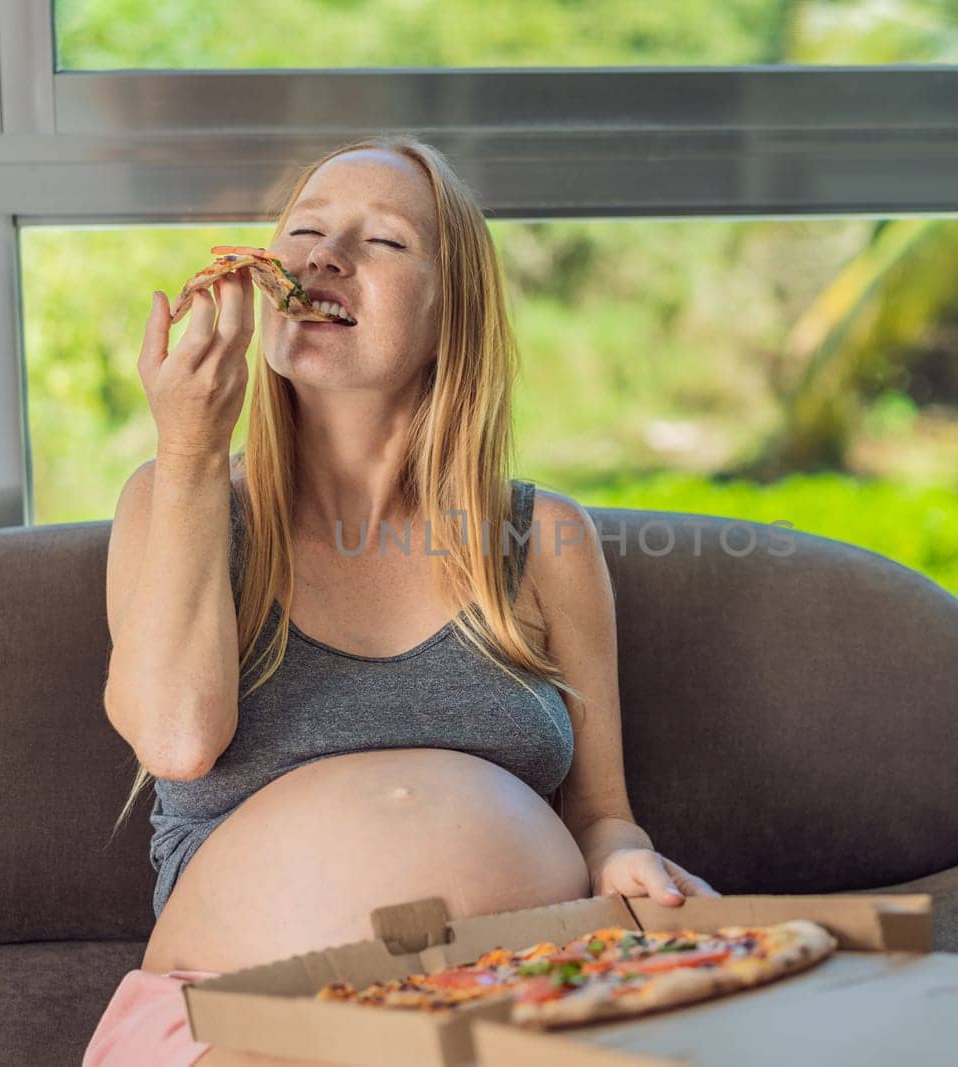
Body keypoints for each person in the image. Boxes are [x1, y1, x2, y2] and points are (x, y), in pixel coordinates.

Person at [84, 136, 720, 1066]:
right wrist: (188, 452)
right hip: (247, 1019)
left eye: (382, 242)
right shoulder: (170, 498)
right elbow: (177, 740)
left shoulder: (547, 541)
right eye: (303, 231)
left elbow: (601, 812)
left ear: (450, 312)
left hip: (526, 999)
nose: (322, 256)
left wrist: (625, 859)